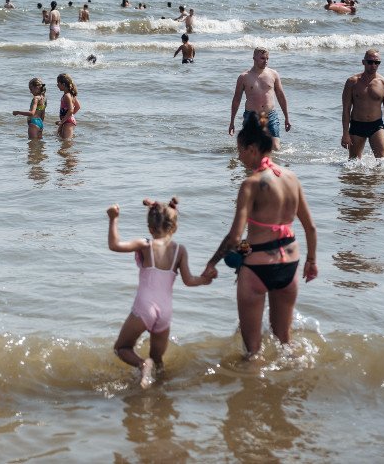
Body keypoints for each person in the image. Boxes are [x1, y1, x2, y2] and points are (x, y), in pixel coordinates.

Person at [203, 112, 317, 358]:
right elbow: (310, 228)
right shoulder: (291, 177)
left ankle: (253, 390)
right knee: (285, 342)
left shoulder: (251, 184)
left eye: (240, 150)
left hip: (258, 269)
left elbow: (235, 237)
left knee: (252, 352)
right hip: (290, 264)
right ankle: (296, 377)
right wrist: (312, 262)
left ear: (252, 148)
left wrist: (212, 263)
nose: (239, 156)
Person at [108, 197, 211, 388]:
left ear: (150, 229)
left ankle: (141, 364)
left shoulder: (146, 244)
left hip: (144, 307)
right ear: (175, 227)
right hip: (165, 311)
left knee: (122, 348)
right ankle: (160, 392)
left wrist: (113, 218)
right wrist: (205, 279)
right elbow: (189, 281)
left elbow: (115, 245)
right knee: (158, 359)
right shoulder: (180, 251)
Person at [229, 47, 291, 150]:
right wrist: (232, 122)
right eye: (262, 58)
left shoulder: (273, 74)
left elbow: (280, 96)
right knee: (249, 149)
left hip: (270, 115)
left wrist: (287, 118)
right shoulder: (244, 77)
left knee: (276, 148)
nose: (265, 61)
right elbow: (236, 99)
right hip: (251, 116)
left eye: (267, 58)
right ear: (254, 58)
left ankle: (270, 165)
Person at [341, 49, 384, 159]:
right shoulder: (352, 82)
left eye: (377, 62)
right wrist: (345, 133)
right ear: (363, 62)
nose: (373, 65)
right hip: (357, 125)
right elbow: (346, 109)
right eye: (370, 62)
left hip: (376, 126)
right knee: (353, 163)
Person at [56, 73, 80, 139]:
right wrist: (68, 117)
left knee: (66, 143)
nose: (57, 85)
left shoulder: (67, 96)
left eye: (58, 83)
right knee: (61, 140)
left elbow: (71, 110)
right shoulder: (71, 95)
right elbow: (78, 107)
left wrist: (62, 121)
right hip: (66, 120)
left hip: (68, 122)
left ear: (63, 84)